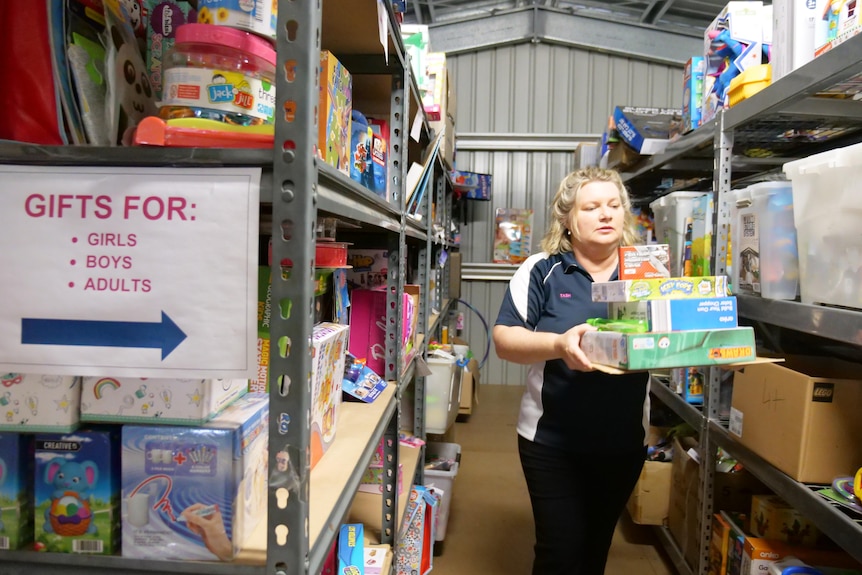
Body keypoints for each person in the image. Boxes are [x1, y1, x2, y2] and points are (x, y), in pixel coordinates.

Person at [493, 166, 650, 575]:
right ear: (567, 218)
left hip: (622, 442)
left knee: (595, 552)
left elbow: (671, 334)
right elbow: (504, 339)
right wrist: (559, 344)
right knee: (559, 555)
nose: (606, 214)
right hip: (551, 442)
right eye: (592, 206)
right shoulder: (541, 270)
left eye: (614, 205)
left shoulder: (648, 272)